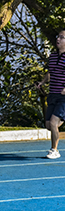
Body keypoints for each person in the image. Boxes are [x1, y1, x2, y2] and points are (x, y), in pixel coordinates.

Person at [36, 29, 65, 159]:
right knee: (49, 125)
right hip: (52, 94)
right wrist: (42, 82)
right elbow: (50, 73)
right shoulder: (53, 56)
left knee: (53, 123)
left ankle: (54, 150)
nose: (58, 39)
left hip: (63, 97)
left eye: (62, 37)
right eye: (58, 37)